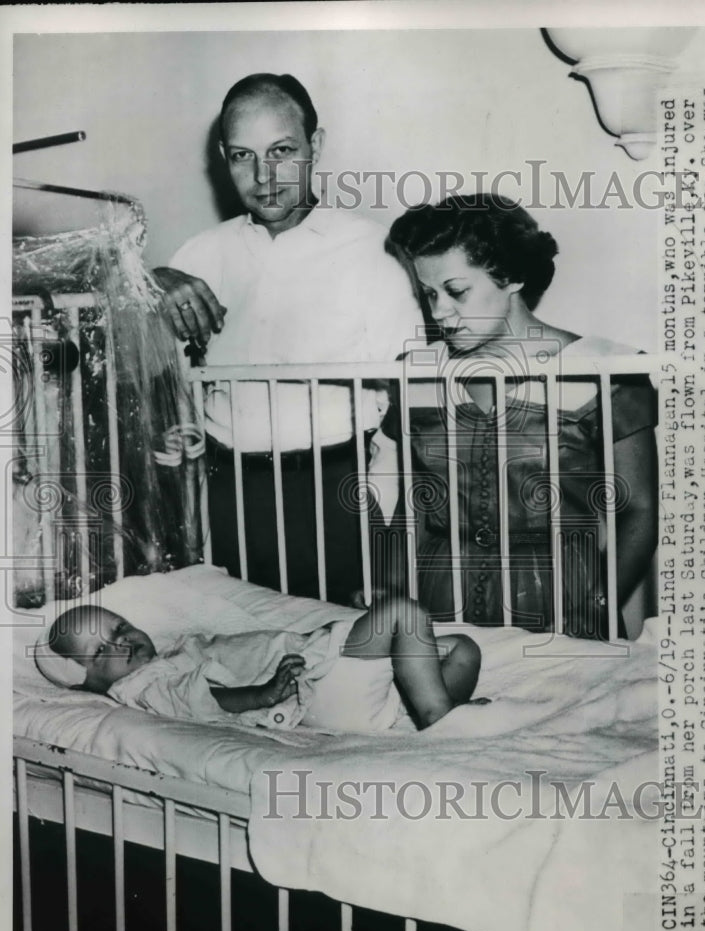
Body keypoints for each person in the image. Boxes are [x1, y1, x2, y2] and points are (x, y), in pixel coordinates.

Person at [152, 73, 421, 603]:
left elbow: (411, 402)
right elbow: (148, 381)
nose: (263, 176)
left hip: (336, 489)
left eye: (281, 151)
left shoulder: (375, 250)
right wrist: (148, 286)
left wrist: (388, 536)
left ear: (315, 146)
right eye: (242, 156)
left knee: (345, 652)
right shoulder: (197, 256)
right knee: (238, 653)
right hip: (225, 491)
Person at [383, 193, 658, 638]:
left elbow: (640, 509)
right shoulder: (416, 374)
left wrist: (598, 603)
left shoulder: (605, 369)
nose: (438, 313)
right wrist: (392, 591)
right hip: (440, 598)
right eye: (428, 293)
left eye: (456, 292)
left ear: (510, 276)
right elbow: (413, 504)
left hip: (563, 602)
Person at [38, 600, 482, 732]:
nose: (121, 644)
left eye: (121, 628)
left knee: (462, 649)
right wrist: (264, 694)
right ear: (86, 683)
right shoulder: (141, 686)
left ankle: (422, 710)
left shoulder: (171, 654)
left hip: (325, 673)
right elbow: (196, 698)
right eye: (101, 653)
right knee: (402, 616)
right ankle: (441, 719)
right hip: (311, 687)